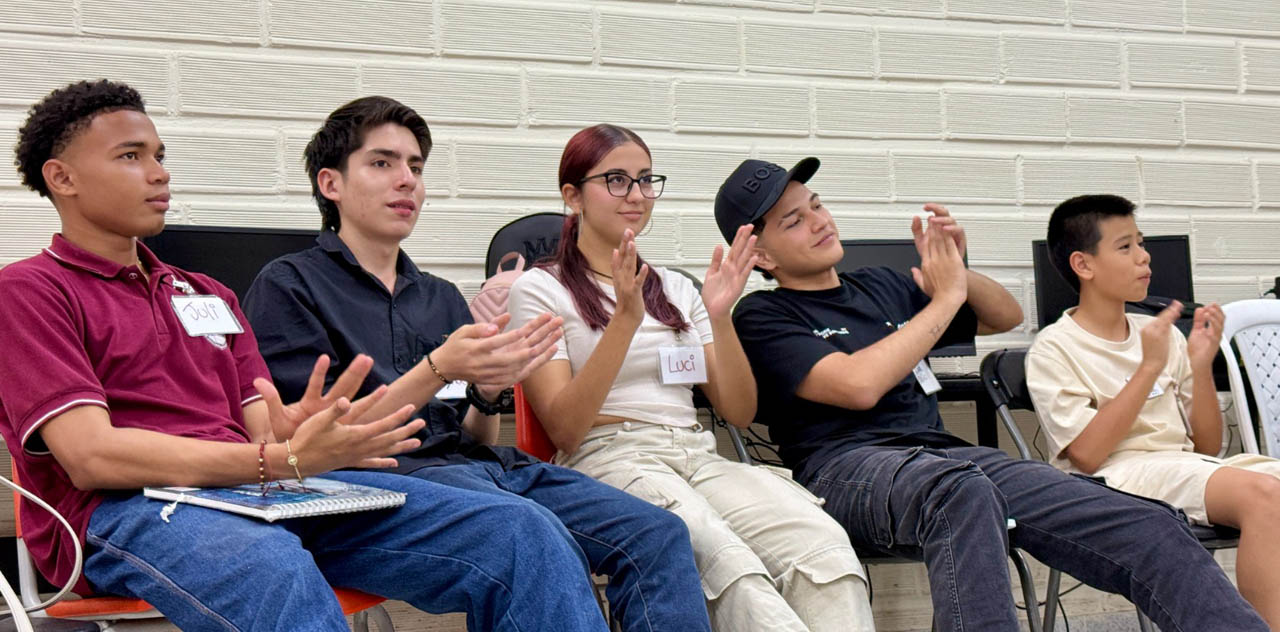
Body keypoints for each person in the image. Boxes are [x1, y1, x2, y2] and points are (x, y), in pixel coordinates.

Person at [0, 79, 631, 632]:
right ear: (63, 178)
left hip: (255, 492)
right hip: (127, 510)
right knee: (268, 566)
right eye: (131, 157)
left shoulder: (205, 294)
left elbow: (265, 430)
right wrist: (281, 457)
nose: (160, 172)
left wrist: (303, 428)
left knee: (518, 531)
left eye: (160, 155)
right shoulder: (29, 291)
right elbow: (91, 457)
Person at [721, 156, 1270, 632]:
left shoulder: (882, 284)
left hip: (946, 458)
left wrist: (958, 271)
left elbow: (1003, 315)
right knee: (960, 492)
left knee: (1147, 522)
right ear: (761, 256)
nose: (819, 222)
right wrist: (943, 300)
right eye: (794, 221)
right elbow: (859, 386)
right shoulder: (763, 314)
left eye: (816, 205)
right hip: (846, 467)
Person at [244, 99, 711, 632]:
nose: (407, 181)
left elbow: (467, 432)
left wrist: (488, 393)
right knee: (525, 534)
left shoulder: (438, 295)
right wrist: (439, 366)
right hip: (361, 489)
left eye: (416, 167)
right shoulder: (289, 285)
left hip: (477, 470)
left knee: (658, 532)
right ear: (331, 184)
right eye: (382, 163)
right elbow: (310, 445)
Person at [507, 124, 874, 632]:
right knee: (730, 567)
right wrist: (624, 321)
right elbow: (565, 431)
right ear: (573, 196)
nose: (636, 195)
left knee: (824, 547)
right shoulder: (539, 289)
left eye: (644, 180)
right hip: (608, 456)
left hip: (695, 454)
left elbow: (739, 413)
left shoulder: (677, 287)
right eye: (616, 180)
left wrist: (720, 317)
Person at [1026, 193, 1280, 627]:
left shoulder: (1158, 333)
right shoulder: (1053, 347)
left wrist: (1199, 365)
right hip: (1113, 480)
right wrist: (1149, 367)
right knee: (1263, 495)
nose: (1144, 257)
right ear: (1083, 265)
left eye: (1141, 244)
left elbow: (1207, 445)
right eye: (1125, 247)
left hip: (1183, 466)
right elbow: (1086, 455)